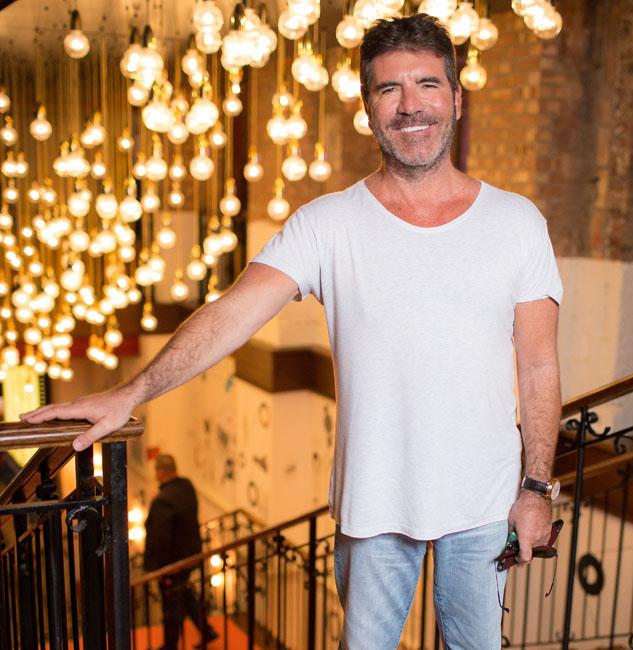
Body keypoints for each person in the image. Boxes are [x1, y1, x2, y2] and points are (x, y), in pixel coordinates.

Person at [22, 14, 562, 649]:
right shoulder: (326, 224)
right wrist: (130, 393)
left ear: (456, 98)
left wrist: (535, 488)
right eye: (389, 89)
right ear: (368, 108)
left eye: (427, 84)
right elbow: (231, 314)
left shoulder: (516, 222)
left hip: (484, 503)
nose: (410, 105)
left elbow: (538, 367)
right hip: (373, 506)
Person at [144, 454, 218, 649]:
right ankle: (207, 631)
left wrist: (161, 570)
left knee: (171, 604)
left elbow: (161, 538)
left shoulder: (162, 500)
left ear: (160, 472)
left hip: (173, 562)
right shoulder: (187, 486)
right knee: (184, 593)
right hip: (191, 555)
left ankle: (170, 646)